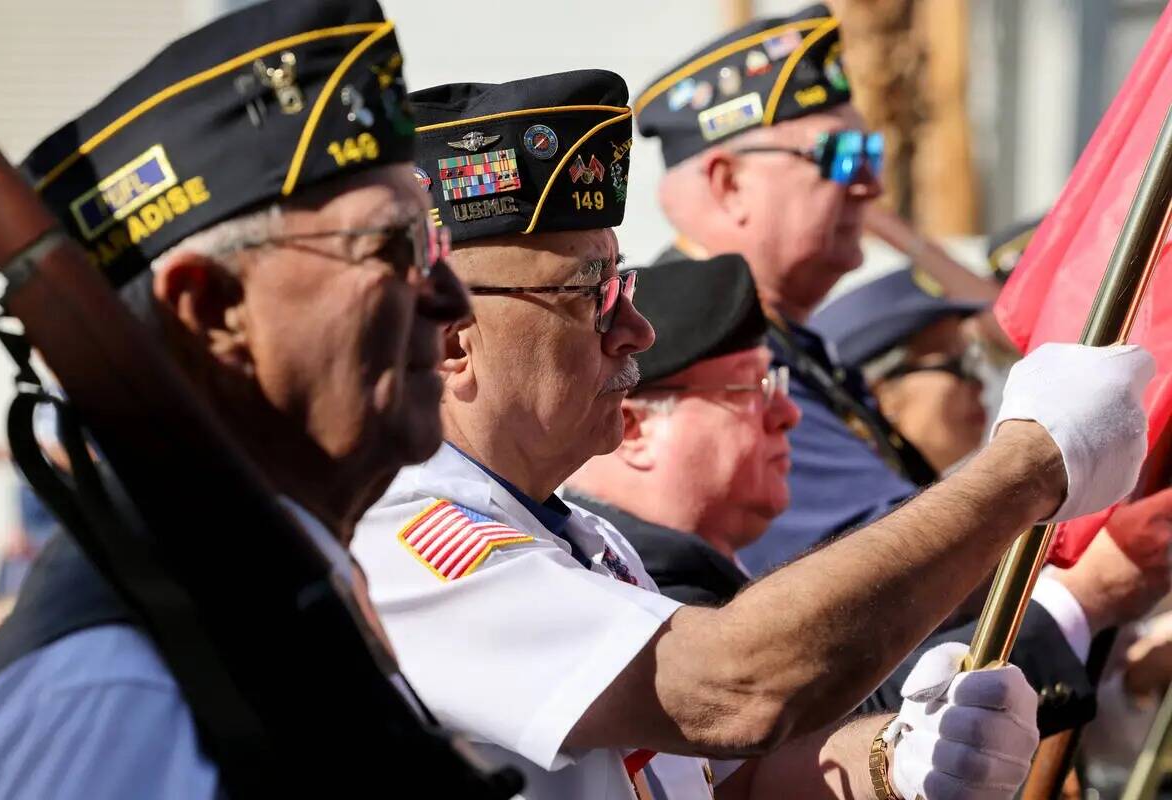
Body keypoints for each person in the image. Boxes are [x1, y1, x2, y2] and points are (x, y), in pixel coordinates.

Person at [352, 69, 1155, 800]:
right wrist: (1026, 466)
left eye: (620, 282)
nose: (635, 329)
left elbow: (730, 780)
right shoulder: (410, 538)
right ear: (453, 338)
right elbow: (731, 689)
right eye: (588, 293)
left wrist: (895, 757)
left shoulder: (584, 541)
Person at [0, 1, 469, 796]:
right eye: (394, 248)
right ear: (211, 309)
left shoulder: (272, 595)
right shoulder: (116, 693)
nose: (454, 304)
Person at [567, 254, 1170, 737]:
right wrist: (1087, 593)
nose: (788, 416)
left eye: (779, 383)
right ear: (638, 428)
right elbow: (820, 730)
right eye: (753, 389)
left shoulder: (672, 569)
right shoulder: (620, 582)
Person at [633, 5, 941, 572]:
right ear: (730, 186)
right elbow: (891, 561)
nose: (871, 186)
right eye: (840, 158)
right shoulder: (711, 356)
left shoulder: (790, 342)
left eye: (871, 154)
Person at [809, 267, 986, 472]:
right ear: (879, 393)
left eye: (973, 363)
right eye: (954, 366)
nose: (978, 384)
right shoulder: (862, 499)